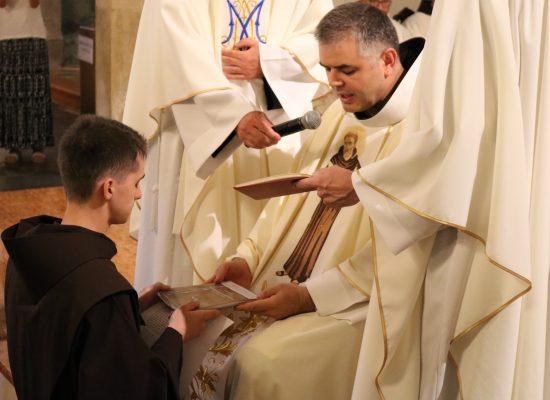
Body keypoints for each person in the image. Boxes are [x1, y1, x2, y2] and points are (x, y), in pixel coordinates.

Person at [298, 0, 549, 398]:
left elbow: (454, 141)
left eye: (346, 69)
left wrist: (361, 185)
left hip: (468, 226)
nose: (335, 81)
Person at [186, 4, 425, 399]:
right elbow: (287, 202)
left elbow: (403, 250)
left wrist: (308, 296)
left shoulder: (420, 130)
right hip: (291, 280)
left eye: (346, 70)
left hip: (361, 299)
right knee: (198, 332)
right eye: (327, 69)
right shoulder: (339, 114)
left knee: (261, 364)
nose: (334, 83)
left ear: (387, 60)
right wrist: (248, 258)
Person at [2, 115, 221, 400]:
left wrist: (130, 307)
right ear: (108, 188)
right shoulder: (101, 292)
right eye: (137, 182)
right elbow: (136, 390)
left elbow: (61, 335)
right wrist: (177, 333)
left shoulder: (26, 253)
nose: (139, 194)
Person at [122, 0, 333, 290]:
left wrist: (270, 62)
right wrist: (232, 116)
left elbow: (322, 33)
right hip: (195, 125)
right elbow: (175, 44)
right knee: (193, 252)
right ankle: (181, 317)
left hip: (275, 122)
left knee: (270, 232)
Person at [0, 0, 53, 163]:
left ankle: (38, 146)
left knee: (37, 93)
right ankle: (13, 146)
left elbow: (34, 3)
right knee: (10, 94)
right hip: (6, 34)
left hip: (33, 33)